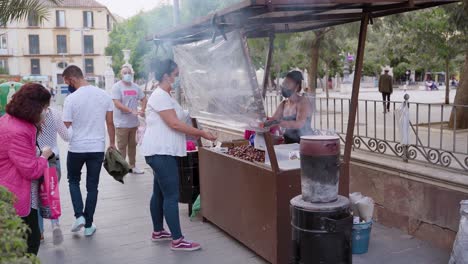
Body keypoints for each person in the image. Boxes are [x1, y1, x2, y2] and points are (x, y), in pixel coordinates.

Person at [141, 59, 216, 251]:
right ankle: (178, 240)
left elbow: (180, 116)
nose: (177, 78)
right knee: (171, 195)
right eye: (175, 74)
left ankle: (158, 231)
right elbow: (174, 123)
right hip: (161, 152)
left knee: (159, 193)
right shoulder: (159, 96)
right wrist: (201, 133)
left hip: (161, 151)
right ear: (166, 75)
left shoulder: (166, 95)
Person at [0, 83, 54, 255]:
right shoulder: (18, 130)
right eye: (45, 107)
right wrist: (44, 156)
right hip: (15, 192)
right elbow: (30, 169)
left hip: (11, 189)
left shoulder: (10, 120)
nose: (46, 111)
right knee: (29, 242)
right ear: (35, 107)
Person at [62, 65, 115, 237]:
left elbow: (66, 126)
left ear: (72, 78)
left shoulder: (71, 99)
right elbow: (110, 123)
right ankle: (88, 225)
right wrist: (112, 143)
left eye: (67, 81)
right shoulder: (104, 95)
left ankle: (79, 216)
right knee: (92, 186)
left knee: (73, 180)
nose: (67, 85)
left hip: (76, 147)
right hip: (97, 147)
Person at [37, 106, 70, 245]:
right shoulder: (55, 113)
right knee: (51, 193)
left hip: (36, 158)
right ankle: (55, 223)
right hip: (53, 158)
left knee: (36, 195)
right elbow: (66, 136)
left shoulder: (30, 113)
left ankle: (40, 232)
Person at [111, 66, 147, 174]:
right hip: (121, 123)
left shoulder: (136, 87)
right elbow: (117, 103)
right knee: (122, 147)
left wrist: (143, 110)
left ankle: (132, 166)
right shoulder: (117, 87)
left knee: (132, 146)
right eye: (125, 73)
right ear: (121, 75)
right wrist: (131, 110)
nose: (127, 74)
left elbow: (144, 98)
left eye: (129, 72)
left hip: (133, 123)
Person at [262, 70, 312, 144]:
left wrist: (278, 122)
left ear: (297, 86)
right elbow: (273, 120)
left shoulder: (303, 102)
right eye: (284, 83)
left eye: (287, 83)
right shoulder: (283, 103)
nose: (284, 86)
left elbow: (299, 124)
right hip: (288, 143)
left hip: (303, 144)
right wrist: (261, 122)